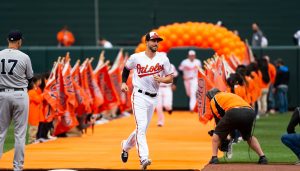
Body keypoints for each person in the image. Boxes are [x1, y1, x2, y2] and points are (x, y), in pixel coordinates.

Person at [120, 31, 173, 170]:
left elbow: (170, 77)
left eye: (157, 41)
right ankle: (144, 158)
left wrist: (162, 79)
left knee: (141, 128)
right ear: (147, 42)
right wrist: (123, 83)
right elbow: (126, 69)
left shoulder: (163, 58)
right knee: (141, 128)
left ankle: (125, 146)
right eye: (153, 40)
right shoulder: (136, 57)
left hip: (153, 97)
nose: (156, 43)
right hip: (139, 96)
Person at [0, 30, 34, 171]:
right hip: (19, 94)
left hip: (2, 94)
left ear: (8, 40)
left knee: (1, 132)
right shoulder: (24, 57)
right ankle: (18, 167)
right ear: (19, 41)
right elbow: (30, 77)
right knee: (20, 134)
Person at [206, 88, 268, 165]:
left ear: (211, 95)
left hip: (233, 112)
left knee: (216, 135)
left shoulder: (214, 99)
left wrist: (218, 132)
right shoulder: (230, 94)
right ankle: (262, 157)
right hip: (250, 112)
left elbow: (218, 120)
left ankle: (214, 158)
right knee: (248, 137)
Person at [156, 62, 178, 127]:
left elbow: (176, 75)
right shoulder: (155, 66)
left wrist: (174, 84)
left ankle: (169, 109)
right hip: (158, 88)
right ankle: (160, 122)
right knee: (158, 106)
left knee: (167, 105)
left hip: (167, 87)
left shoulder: (171, 66)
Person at [28, 74, 43, 144]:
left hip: (36, 112)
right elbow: (38, 100)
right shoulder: (31, 92)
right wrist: (43, 95)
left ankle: (34, 139)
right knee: (33, 127)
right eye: (38, 81)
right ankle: (31, 140)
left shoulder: (36, 90)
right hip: (33, 112)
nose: (40, 82)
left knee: (36, 127)